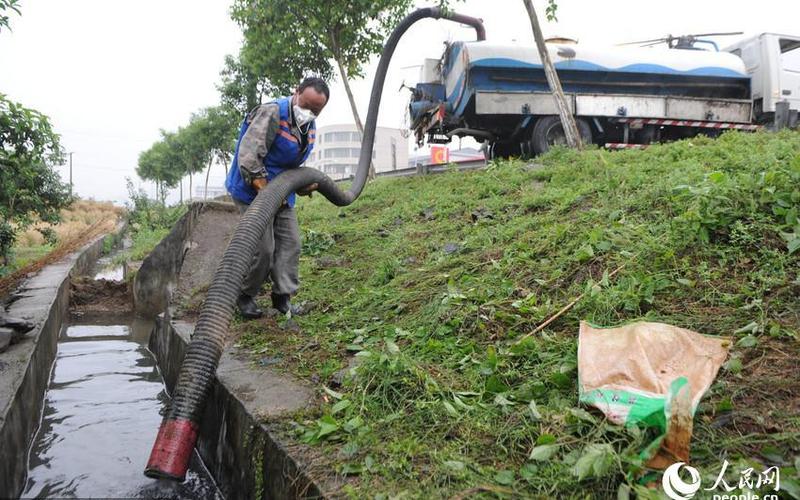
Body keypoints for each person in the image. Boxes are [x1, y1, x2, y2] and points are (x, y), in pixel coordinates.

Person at [224, 77, 329, 319]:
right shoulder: (272, 113)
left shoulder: (308, 127)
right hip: (252, 190)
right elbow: (248, 157)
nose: (309, 112)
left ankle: (282, 297)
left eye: (316, 110)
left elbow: (292, 166)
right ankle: (245, 295)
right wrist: (265, 188)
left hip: (282, 193)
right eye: (305, 105)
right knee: (263, 248)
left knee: (291, 243)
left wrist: (301, 186)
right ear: (296, 91)